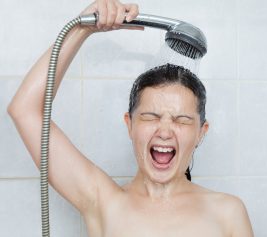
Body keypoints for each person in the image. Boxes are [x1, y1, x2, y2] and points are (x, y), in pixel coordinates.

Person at [7, 0, 254, 236]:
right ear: (130, 124)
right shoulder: (103, 201)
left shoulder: (228, 213)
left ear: (202, 131)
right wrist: (82, 29)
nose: (165, 131)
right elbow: (24, 110)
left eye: (181, 120)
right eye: (150, 117)